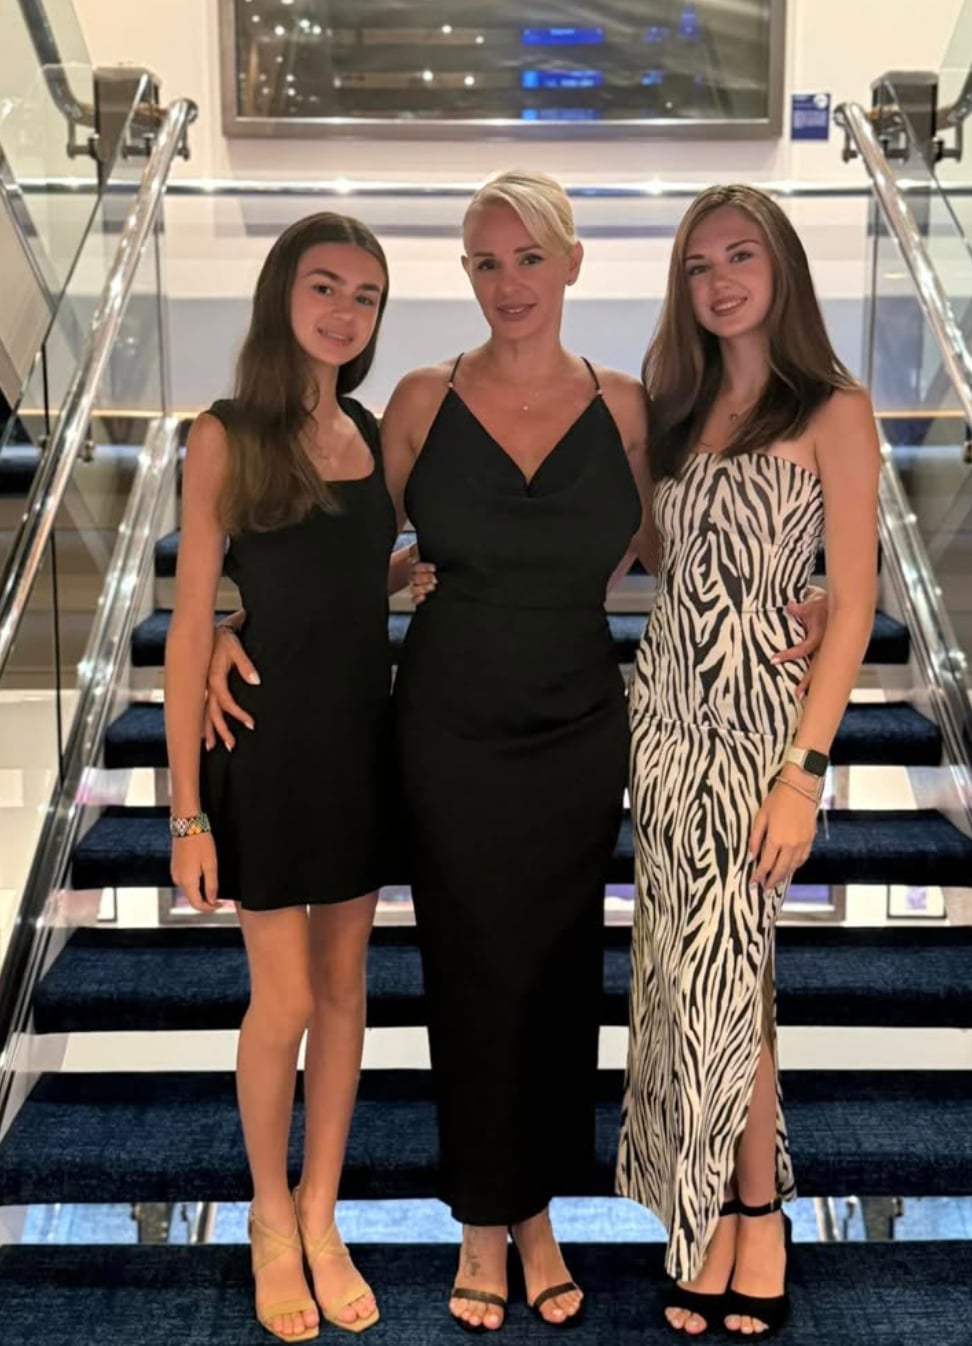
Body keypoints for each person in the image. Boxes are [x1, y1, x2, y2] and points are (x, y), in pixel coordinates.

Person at [206, 172, 826, 1335]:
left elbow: (685, 544)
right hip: (446, 727)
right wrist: (226, 625)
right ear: (467, 276)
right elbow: (333, 547)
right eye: (486, 262)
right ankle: (481, 1221)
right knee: (467, 971)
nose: (509, 282)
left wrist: (811, 590)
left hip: (580, 727)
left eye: (530, 258)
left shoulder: (628, 405)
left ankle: (536, 1212)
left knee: (555, 972)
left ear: (572, 264)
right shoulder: (420, 400)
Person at [615, 184, 879, 1339]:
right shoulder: (674, 407)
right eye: (698, 265)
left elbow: (854, 601)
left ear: (782, 269)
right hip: (666, 720)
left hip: (759, 730)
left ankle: (751, 1211)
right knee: (690, 975)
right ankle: (724, 1198)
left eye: (740, 256)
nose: (719, 281)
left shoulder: (834, 407)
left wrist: (803, 771)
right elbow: (644, 551)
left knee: (730, 973)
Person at [164, 212, 406, 1342]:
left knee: (347, 989)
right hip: (259, 748)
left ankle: (321, 1209)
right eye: (325, 285)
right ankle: (268, 1212)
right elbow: (188, 622)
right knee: (291, 997)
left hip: (360, 743)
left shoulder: (371, 431)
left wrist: (410, 574)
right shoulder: (225, 433)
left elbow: (346, 576)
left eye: (365, 295)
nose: (344, 311)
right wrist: (185, 814)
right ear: (282, 294)